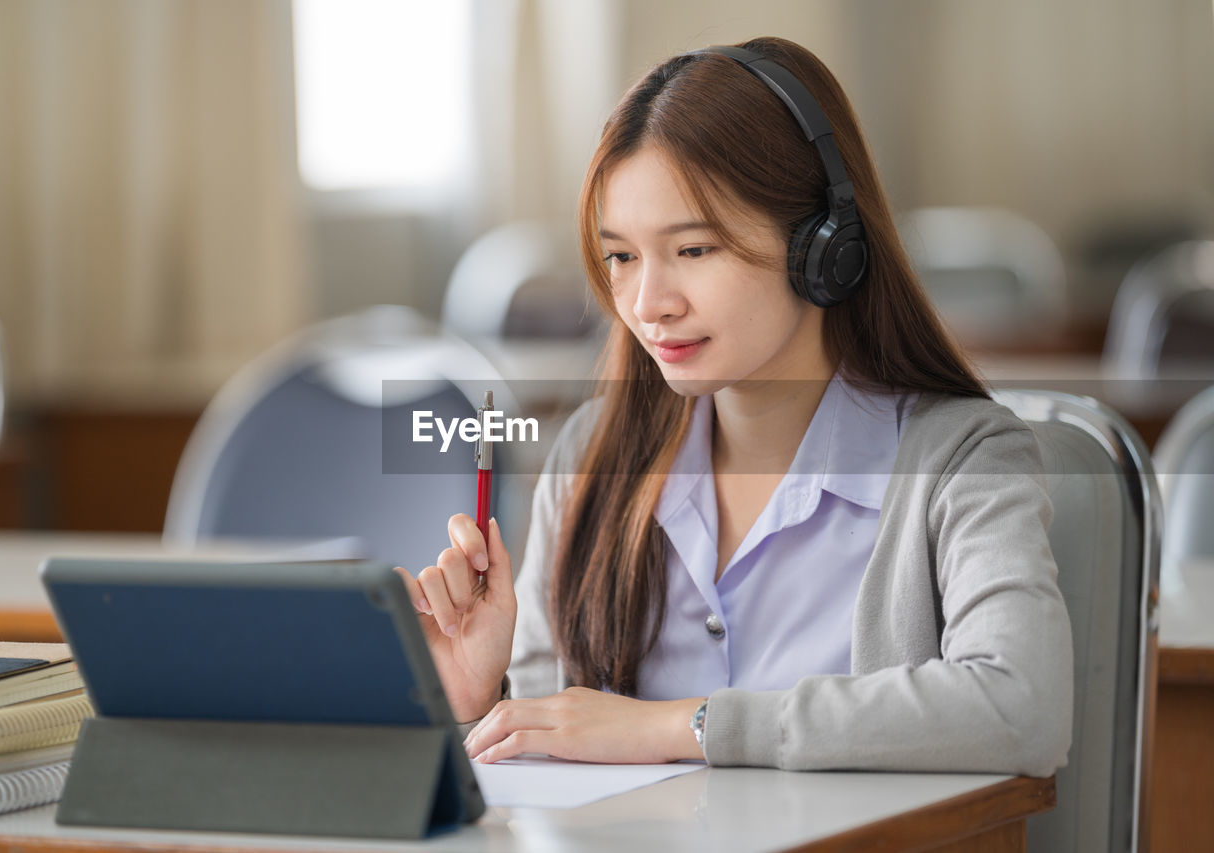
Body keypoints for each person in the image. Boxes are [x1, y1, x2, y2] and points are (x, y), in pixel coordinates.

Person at [395, 36, 1073, 776]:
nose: (649, 304)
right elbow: (549, 739)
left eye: (694, 250)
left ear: (823, 246)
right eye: (621, 256)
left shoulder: (964, 460)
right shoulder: (592, 456)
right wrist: (477, 698)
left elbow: (1020, 708)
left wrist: (683, 726)